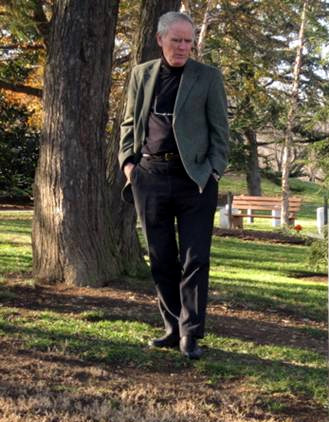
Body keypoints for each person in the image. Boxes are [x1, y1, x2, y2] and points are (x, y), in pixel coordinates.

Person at [118, 11, 229, 359]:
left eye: (187, 41)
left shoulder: (207, 77)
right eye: (176, 40)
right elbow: (128, 122)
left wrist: (213, 171)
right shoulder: (141, 75)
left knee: (195, 259)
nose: (183, 47)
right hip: (149, 178)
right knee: (161, 257)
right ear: (160, 39)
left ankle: (190, 334)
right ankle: (171, 327)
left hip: (194, 181)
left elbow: (220, 132)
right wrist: (128, 165)